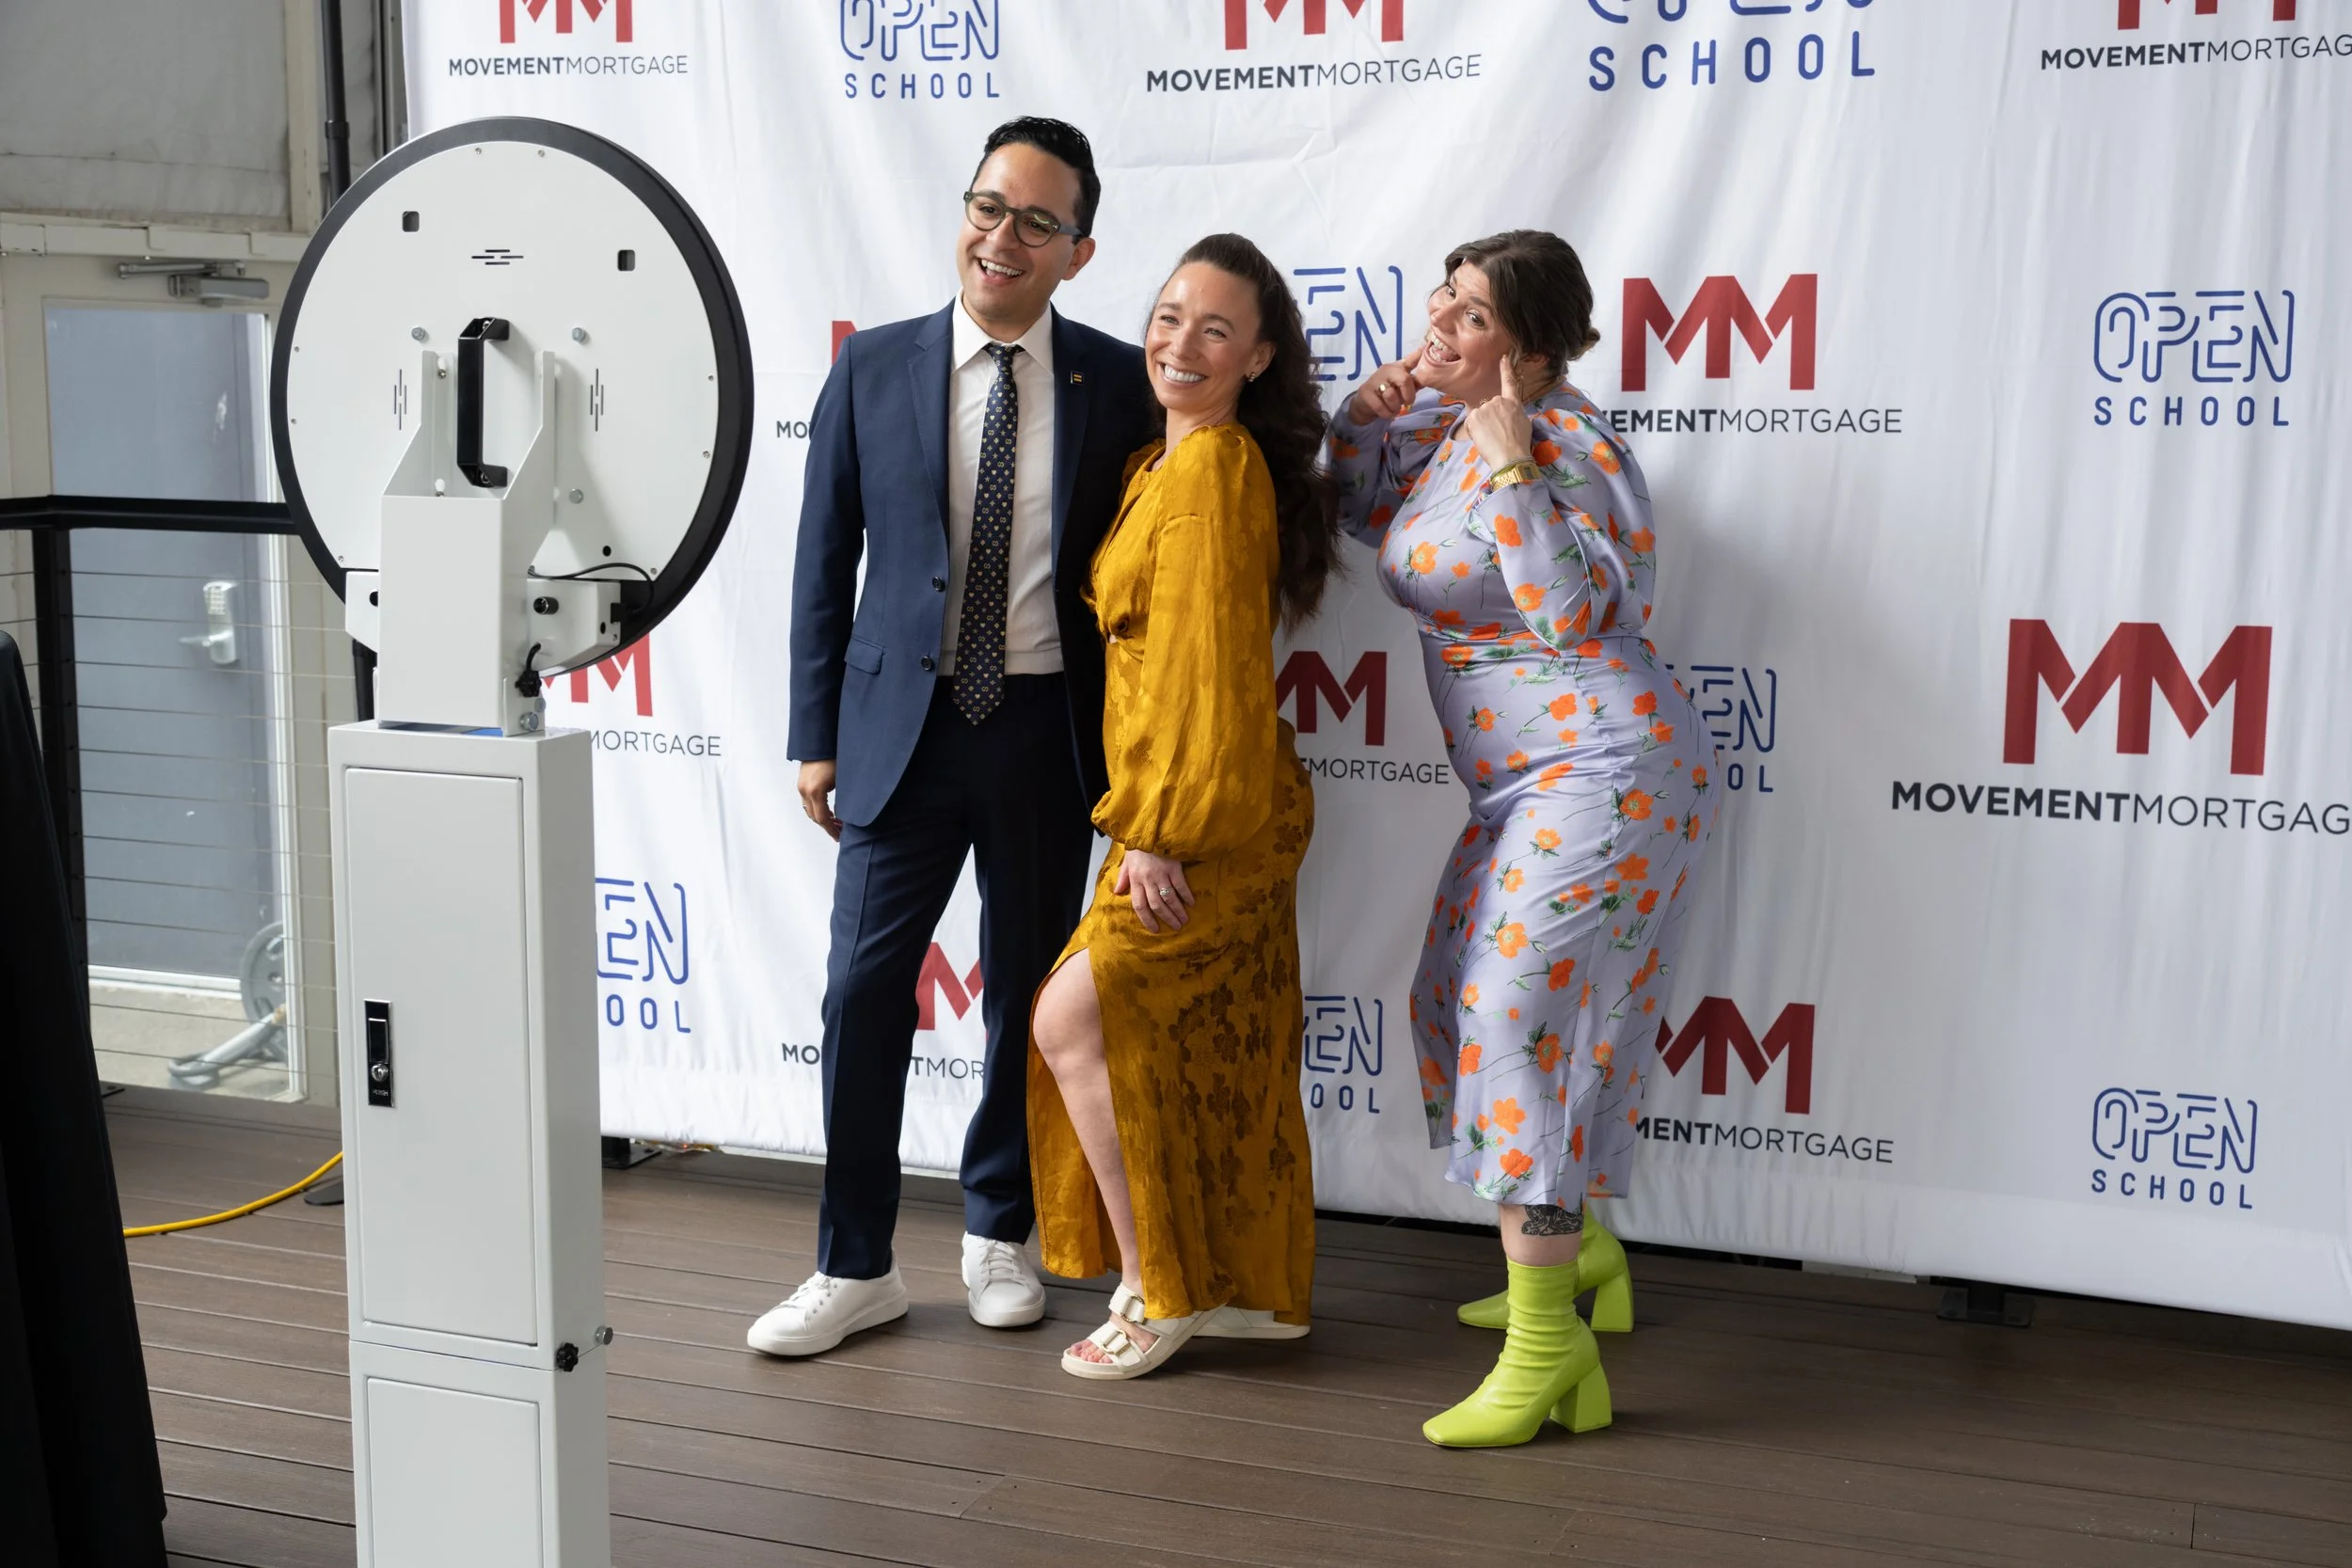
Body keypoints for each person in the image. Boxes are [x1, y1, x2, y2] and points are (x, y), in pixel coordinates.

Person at [757, 119, 1157, 1358]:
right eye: (990, 205)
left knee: (1028, 1001)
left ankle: (1002, 1230)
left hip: (1046, 732)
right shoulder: (873, 367)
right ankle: (853, 1259)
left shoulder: (1117, 381)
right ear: (963, 214)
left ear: (1078, 251)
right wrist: (814, 731)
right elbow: (825, 559)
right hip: (899, 731)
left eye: (1038, 220)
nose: (1004, 235)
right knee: (863, 990)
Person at [1327, 230, 1718, 1446]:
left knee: (1514, 1021)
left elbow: (1573, 610)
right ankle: (1582, 1252)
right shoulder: (1446, 433)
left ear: (1531, 350)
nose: (1437, 328)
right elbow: (1362, 519)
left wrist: (1511, 470)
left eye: (1470, 318)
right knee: (1450, 993)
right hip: (1520, 788)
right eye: (1438, 304)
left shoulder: (1569, 441)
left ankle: (1548, 1348)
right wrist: (1359, 418)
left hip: (1608, 774)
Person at [1027, 233, 1341, 1380]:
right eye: (1167, 317)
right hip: (1220, 800)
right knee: (1221, 1044)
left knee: (1071, 1019)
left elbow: (1207, 668)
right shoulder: (1168, 466)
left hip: (1208, 813)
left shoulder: (1212, 472)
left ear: (1258, 356)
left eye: (1216, 328)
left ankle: (1160, 1284)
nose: (1181, 343)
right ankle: (1251, 1289)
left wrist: (1158, 830)